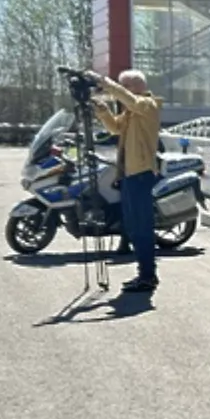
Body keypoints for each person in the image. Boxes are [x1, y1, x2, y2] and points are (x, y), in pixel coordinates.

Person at [88, 68, 163, 294]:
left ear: (138, 86)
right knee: (133, 226)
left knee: (142, 226)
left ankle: (148, 275)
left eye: (126, 85)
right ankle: (144, 272)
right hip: (129, 174)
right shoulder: (131, 112)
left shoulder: (148, 105)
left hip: (140, 173)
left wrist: (106, 83)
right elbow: (115, 128)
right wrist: (103, 111)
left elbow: (129, 99)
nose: (122, 91)